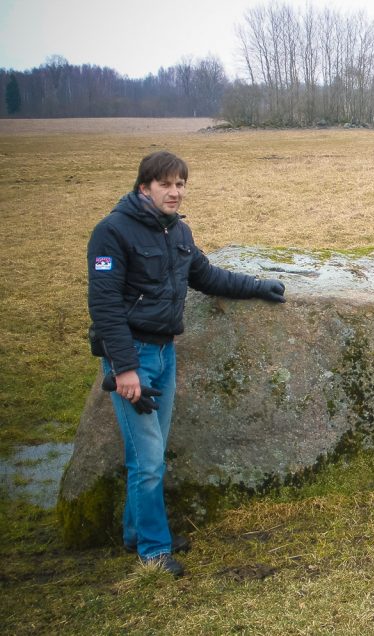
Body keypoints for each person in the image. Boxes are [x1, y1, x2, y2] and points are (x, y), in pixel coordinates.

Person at [87, 151, 286, 577]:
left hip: (164, 353)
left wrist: (257, 286)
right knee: (150, 460)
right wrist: (123, 369)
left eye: (180, 184)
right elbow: (104, 306)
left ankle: (137, 534)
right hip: (133, 357)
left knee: (147, 454)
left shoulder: (177, 232)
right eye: (166, 184)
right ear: (144, 187)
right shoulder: (111, 233)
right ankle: (154, 553)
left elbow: (207, 275)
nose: (175, 192)